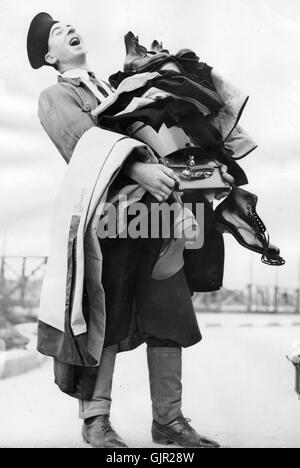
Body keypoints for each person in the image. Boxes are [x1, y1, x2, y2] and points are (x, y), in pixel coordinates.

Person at [27, 12, 235, 448]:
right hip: (109, 222)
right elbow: (83, 144)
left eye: (69, 24)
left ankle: (169, 422)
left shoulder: (122, 86)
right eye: (56, 33)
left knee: (168, 313)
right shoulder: (55, 95)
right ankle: (96, 421)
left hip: (159, 222)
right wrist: (138, 168)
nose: (68, 29)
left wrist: (209, 173)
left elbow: (170, 140)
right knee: (107, 316)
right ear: (50, 55)